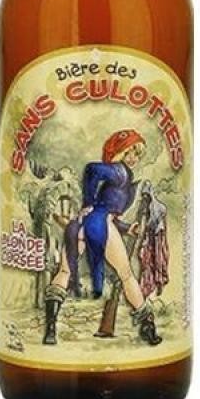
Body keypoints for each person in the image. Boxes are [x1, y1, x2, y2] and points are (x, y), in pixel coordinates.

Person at [42, 129, 162, 346]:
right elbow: (91, 170)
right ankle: (148, 328)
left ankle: (50, 329)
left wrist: (127, 228)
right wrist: (89, 202)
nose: (133, 158)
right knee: (126, 275)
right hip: (100, 224)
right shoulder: (120, 172)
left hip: (81, 225)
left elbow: (107, 211)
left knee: (64, 271)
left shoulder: (120, 175)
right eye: (130, 152)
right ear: (120, 152)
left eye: (137, 154)